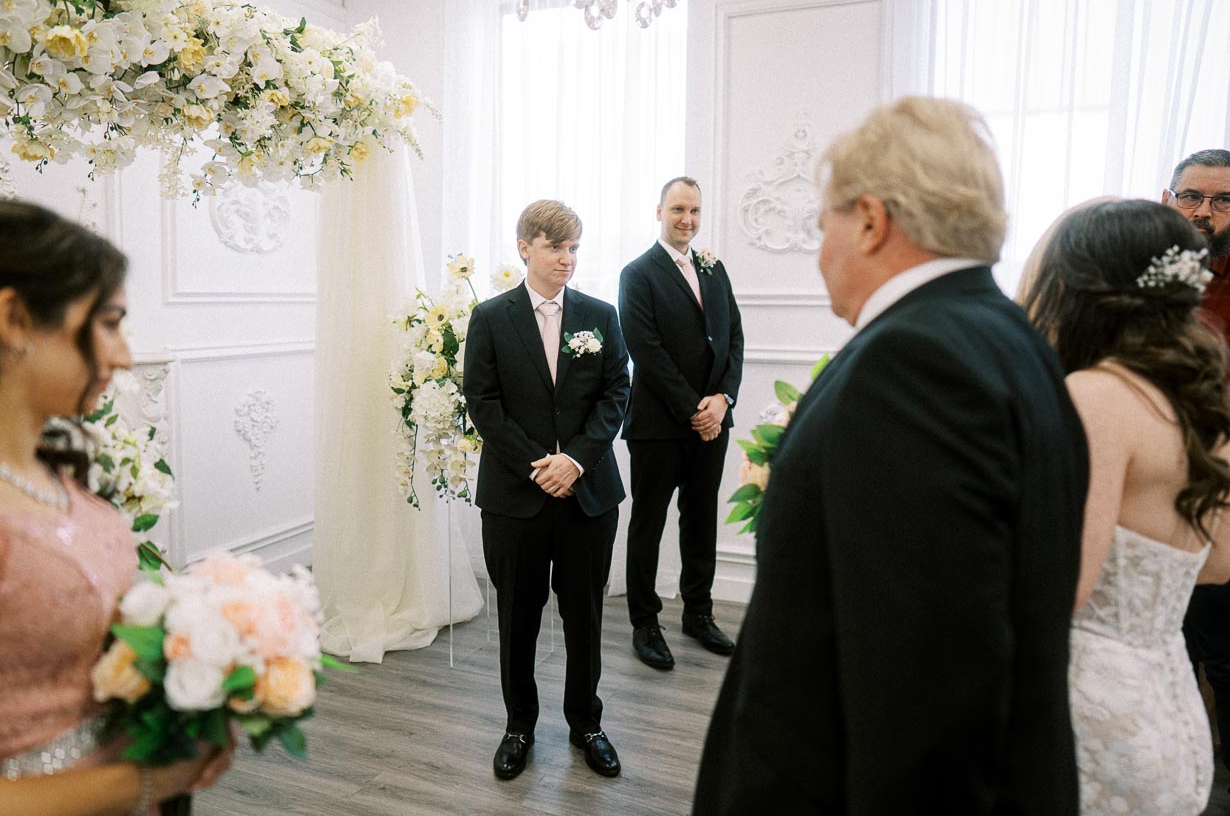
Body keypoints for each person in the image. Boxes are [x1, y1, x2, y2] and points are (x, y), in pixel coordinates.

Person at [692, 97, 1088, 814]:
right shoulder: (1013, 340)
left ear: (871, 221)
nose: (819, 253)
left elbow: (925, 692)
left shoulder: (913, 365)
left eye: (823, 226)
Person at [0, 201, 231, 814]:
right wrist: (152, 780)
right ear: (14, 318)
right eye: (110, 323)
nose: (123, 355)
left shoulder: (45, 473)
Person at [1020, 197, 1230, 813]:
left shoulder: (1096, 396)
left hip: (1089, 704)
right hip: (1168, 706)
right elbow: (1218, 565)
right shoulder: (1202, 401)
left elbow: (1063, 585)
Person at [463, 199, 630, 781]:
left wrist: (576, 462)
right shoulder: (489, 318)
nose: (567, 258)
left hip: (588, 495)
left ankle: (587, 723)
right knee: (518, 617)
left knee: (585, 615)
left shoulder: (601, 315)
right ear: (524, 249)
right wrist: (540, 465)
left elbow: (615, 396)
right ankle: (519, 726)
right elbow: (483, 403)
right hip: (516, 496)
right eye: (556, 246)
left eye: (574, 247)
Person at [619, 176, 743, 670]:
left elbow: (733, 337)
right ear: (659, 212)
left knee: (701, 516)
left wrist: (723, 400)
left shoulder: (714, 268)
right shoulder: (638, 273)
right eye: (677, 210)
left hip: (713, 419)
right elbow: (645, 351)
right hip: (659, 424)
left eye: (693, 210)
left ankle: (698, 612)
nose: (686, 219)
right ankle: (645, 623)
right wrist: (695, 410)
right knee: (648, 522)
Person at [1164, 148, 1230, 774]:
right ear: (1169, 197)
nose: (1204, 212)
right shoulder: (1140, 267)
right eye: (1192, 196)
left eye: (1221, 200)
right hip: (1152, 479)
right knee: (1168, 645)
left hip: (1224, 488)